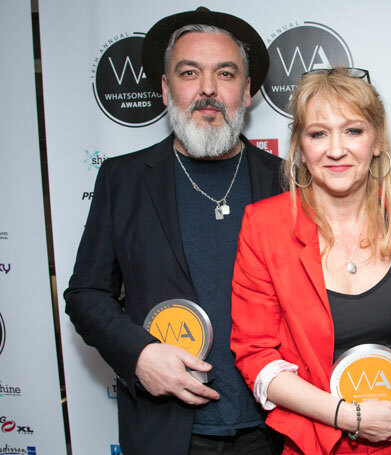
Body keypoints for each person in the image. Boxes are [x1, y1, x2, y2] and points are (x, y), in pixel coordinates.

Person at [64, 8, 284, 455]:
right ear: (166, 90)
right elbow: (86, 293)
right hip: (168, 432)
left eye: (225, 73)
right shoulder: (122, 180)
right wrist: (139, 354)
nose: (208, 89)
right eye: (189, 72)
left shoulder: (288, 180)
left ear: (246, 92)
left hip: (276, 430)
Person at [229, 68, 391, 455]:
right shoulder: (264, 227)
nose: (335, 150)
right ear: (299, 145)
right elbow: (257, 358)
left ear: (376, 140)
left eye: (353, 131)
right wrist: (350, 417)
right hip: (322, 440)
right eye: (318, 133)